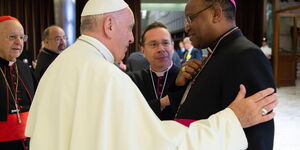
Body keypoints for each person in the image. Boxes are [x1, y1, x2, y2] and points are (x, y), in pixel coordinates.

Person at [25, 0, 277, 150]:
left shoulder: (64, 63)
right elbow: (157, 144)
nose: (133, 38)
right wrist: (231, 121)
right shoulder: (105, 76)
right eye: (131, 29)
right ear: (109, 26)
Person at [170, 0, 276, 149]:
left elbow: (257, 134)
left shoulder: (245, 55)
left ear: (216, 13)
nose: (187, 28)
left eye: (190, 18)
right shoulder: (217, 52)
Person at [128, 22, 179, 120]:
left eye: (165, 43)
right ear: (143, 51)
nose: (161, 49)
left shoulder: (185, 77)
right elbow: (130, 111)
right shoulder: (133, 80)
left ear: (172, 47)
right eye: (153, 44)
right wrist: (161, 103)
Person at [0, 16, 36, 150]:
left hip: (28, 142)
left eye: (22, 37)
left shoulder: (24, 68)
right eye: (12, 37)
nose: (18, 42)